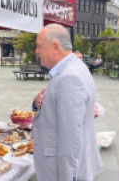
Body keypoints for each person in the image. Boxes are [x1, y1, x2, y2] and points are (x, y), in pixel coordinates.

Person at [33, 24, 103, 181]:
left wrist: (68, 177)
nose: (36, 51)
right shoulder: (72, 69)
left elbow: (70, 140)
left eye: (39, 46)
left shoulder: (69, 77)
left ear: (55, 47)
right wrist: (37, 102)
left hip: (62, 171)